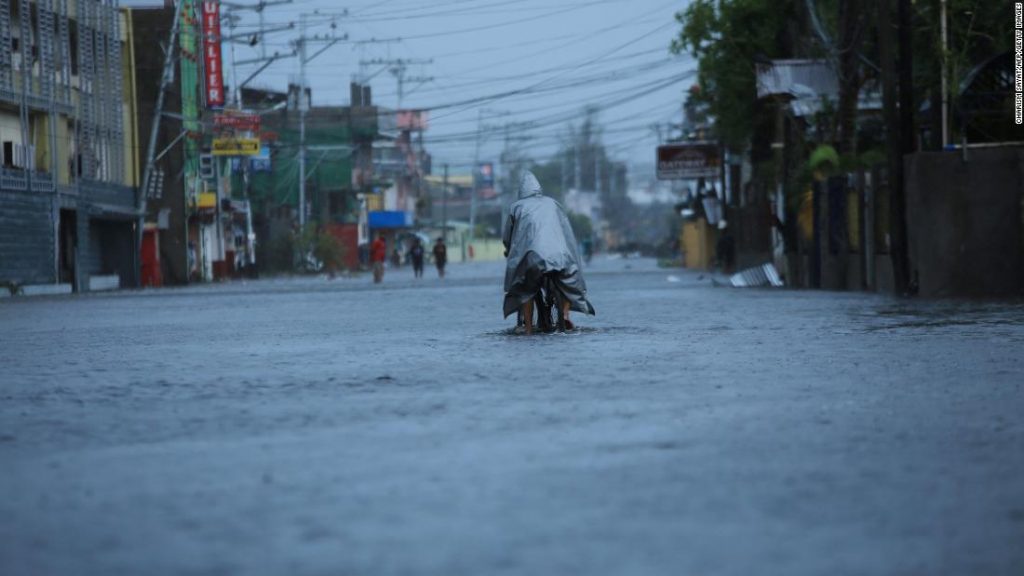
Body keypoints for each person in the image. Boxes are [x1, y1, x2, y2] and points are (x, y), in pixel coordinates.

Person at [503, 170, 595, 334]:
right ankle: (566, 315)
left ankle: (529, 329)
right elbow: (567, 233)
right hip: (560, 255)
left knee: (525, 288)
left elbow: (508, 237)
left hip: (531, 257)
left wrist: (508, 250)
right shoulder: (553, 203)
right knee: (569, 281)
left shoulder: (516, 207)